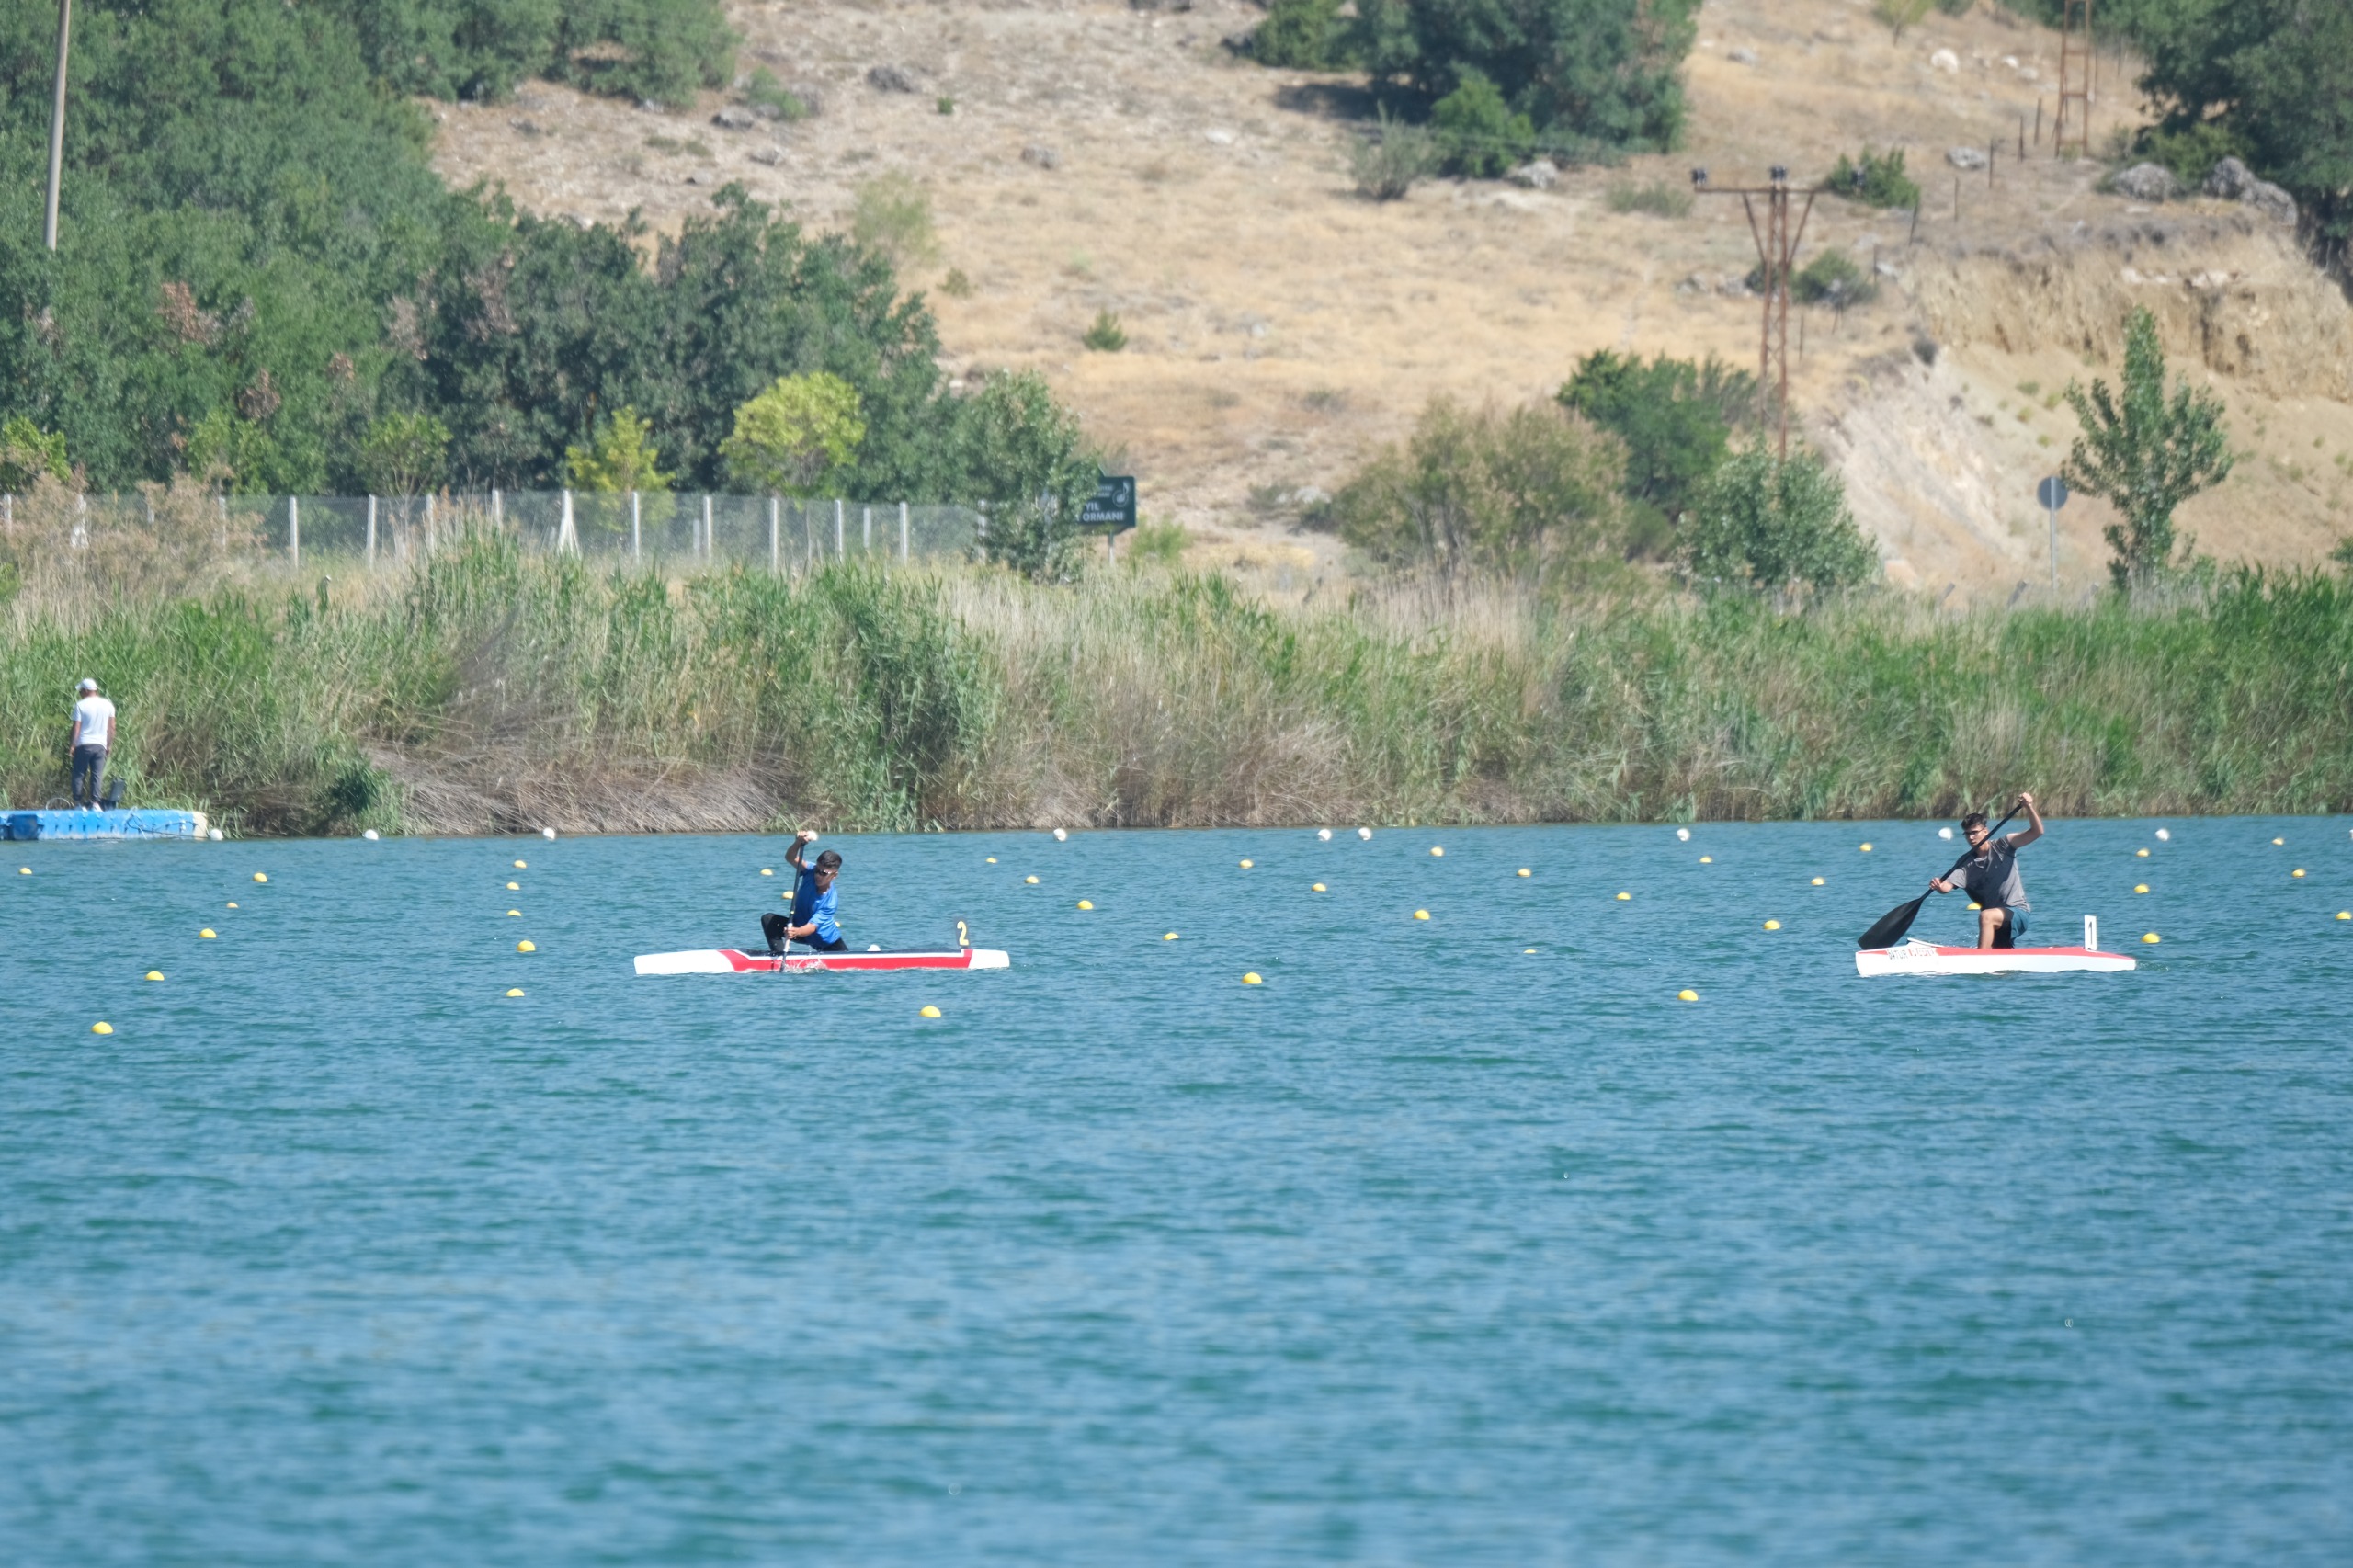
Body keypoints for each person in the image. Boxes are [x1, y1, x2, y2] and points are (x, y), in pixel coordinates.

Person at [1930, 792, 2044, 949]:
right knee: (2001, 958)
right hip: (1995, 922)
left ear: (1986, 831)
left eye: (1974, 832)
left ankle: (1979, 958)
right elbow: (1947, 887)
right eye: (1967, 834)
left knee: (1986, 916)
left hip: (2017, 913)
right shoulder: (1965, 863)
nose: (1971, 837)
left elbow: (2037, 832)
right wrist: (1938, 885)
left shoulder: (2004, 846)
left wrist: (2029, 807)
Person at [761, 830, 847, 954]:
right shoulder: (810, 871)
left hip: (826, 942)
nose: (818, 875)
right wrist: (798, 842)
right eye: (817, 870)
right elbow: (790, 858)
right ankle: (779, 955)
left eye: (823, 873)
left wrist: (796, 932)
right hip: (800, 930)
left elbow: (811, 927)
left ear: (834, 875)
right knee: (768, 919)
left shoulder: (830, 902)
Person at [66, 677, 116, 810]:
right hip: (100, 745)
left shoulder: (80, 705)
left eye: (81, 691)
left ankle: (78, 803)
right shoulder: (108, 705)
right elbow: (112, 727)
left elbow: (76, 727)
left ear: (87, 691)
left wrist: (72, 745)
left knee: (79, 773)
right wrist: (108, 744)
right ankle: (95, 803)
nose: (80, 694)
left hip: (83, 744)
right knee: (97, 774)